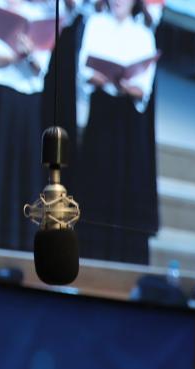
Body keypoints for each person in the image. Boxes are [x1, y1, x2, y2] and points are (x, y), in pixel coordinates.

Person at [0, 0, 72, 250]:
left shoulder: (43, 15)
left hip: (27, 102)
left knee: (21, 174)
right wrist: (17, 54)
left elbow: (41, 67)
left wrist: (30, 53)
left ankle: (20, 245)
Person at [73, 0, 159, 265]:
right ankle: (89, 250)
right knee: (96, 178)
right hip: (101, 113)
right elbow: (84, 69)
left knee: (125, 182)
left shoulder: (143, 34)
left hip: (127, 119)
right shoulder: (96, 23)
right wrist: (99, 77)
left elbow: (144, 87)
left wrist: (128, 85)